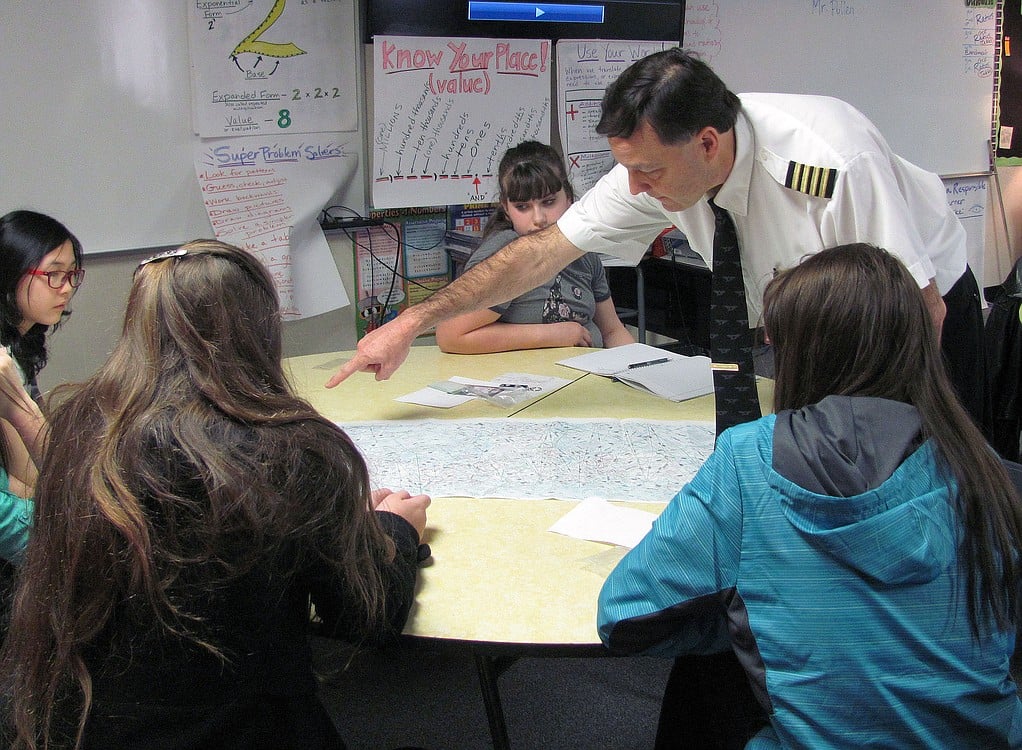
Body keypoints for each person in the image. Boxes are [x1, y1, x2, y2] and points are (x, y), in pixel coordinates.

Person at [326, 48, 987, 437]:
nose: (634, 190)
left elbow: (920, 314)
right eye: (627, 169)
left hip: (924, 324)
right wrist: (411, 321)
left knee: (922, 502)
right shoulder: (655, 166)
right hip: (809, 340)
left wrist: (893, 450)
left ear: (707, 142)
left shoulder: (831, 166)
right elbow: (535, 256)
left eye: (648, 172)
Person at [0, 240, 430, 750]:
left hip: (74, 726)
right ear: (257, 330)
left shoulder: (78, 427)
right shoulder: (291, 448)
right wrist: (395, 530)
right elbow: (366, 618)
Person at [597, 243, 1022, 748]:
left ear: (804, 355)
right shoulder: (988, 474)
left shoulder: (749, 461)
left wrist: (758, 614)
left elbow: (624, 614)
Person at [435, 141, 633, 353]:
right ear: (507, 209)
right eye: (522, 207)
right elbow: (451, 335)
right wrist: (553, 335)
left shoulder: (584, 254)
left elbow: (612, 331)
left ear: (568, 198)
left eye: (548, 202)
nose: (538, 219)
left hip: (587, 372)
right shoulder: (505, 254)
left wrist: (640, 366)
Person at [0, 210, 82, 562]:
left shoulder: (21, 346)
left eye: (72, 275)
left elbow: (28, 475)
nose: (66, 288)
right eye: (53, 275)